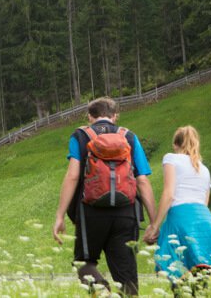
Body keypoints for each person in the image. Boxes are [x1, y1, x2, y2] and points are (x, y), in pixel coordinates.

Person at [53, 97, 157, 296]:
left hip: (90, 212)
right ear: (115, 116)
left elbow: (73, 175)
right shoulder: (129, 137)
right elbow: (142, 180)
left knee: (84, 263)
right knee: (126, 273)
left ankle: (103, 293)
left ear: (90, 117)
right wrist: (154, 221)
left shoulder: (80, 136)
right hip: (126, 213)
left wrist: (59, 215)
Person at [143, 126, 211, 284]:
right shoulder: (204, 169)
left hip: (181, 216)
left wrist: (155, 226)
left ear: (175, 145)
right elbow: (204, 203)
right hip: (205, 220)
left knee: (179, 273)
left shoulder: (171, 158)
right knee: (200, 272)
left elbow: (169, 194)